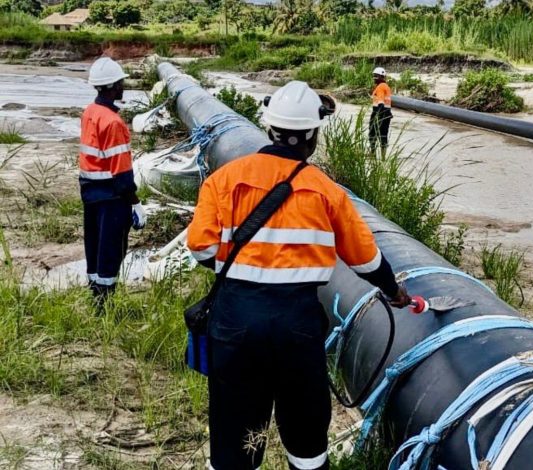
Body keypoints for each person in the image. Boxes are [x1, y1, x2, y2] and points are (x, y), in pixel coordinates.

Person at [187, 81, 411, 470]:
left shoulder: (224, 180)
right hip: (297, 327)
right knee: (305, 429)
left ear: (269, 128)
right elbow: (366, 259)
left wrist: (241, 270)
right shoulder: (325, 190)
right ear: (312, 136)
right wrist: (394, 291)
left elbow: (201, 247)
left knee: (237, 429)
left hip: (237, 322)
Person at [79, 57, 145, 306]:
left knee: (95, 247)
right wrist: (135, 203)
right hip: (112, 197)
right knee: (111, 250)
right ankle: (104, 306)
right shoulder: (113, 122)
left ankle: (95, 297)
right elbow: (121, 173)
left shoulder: (90, 112)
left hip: (90, 193)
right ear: (112, 86)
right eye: (120, 83)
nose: (122, 86)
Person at [369, 66, 392, 155]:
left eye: (376, 76)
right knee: (383, 135)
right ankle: (383, 157)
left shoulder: (380, 87)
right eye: (374, 76)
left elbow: (381, 103)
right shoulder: (386, 86)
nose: (374, 78)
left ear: (382, 77)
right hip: (387, 113)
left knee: (372, 134)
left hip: (379, 113)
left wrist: (377, 116)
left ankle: (373, 154)